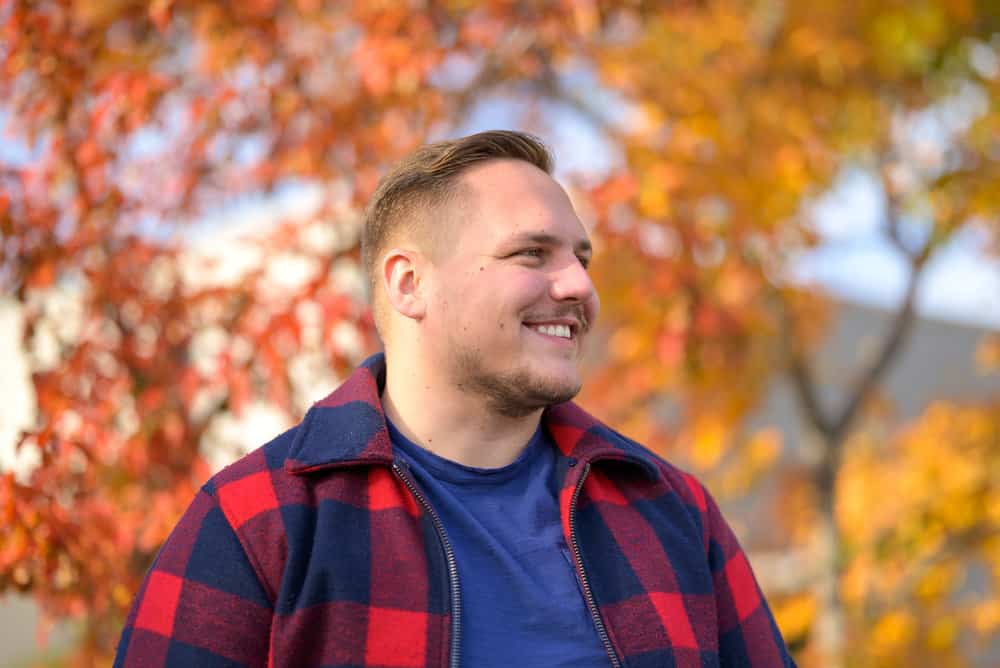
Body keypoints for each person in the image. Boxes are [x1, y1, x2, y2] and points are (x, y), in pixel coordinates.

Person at [114, 130, 796, 667]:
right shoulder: (258, 523)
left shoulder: (669, 512)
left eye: (581, 259)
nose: (579, 287)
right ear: (409, 284)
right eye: (533, 254)